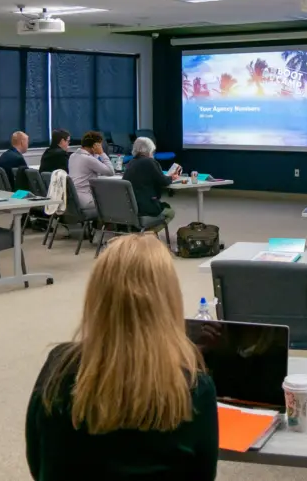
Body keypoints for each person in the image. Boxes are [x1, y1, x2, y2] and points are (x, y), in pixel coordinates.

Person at [26, 234, 218, 480]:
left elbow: (37, 461)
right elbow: (203, 475)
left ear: (97, 296)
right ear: (169, 300)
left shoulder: (59, 366)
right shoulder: (195, 386)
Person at [122, 137, 179, 228]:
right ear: (150, 149)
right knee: (170, 213)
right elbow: (163, 181)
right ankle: (147, 235)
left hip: (130, 207)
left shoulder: (130, 162)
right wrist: (172, 178)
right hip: (144, 207)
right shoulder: (149, 161)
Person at [69, 131, 115, 212]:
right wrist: (101, 153)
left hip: (74, 199)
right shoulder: (88, 159)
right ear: (95, 145)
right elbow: (110, 171)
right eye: (100, 145)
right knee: (114, 201)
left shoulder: (73, 156)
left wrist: (96, 153)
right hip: (86, 200)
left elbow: (94, 166)